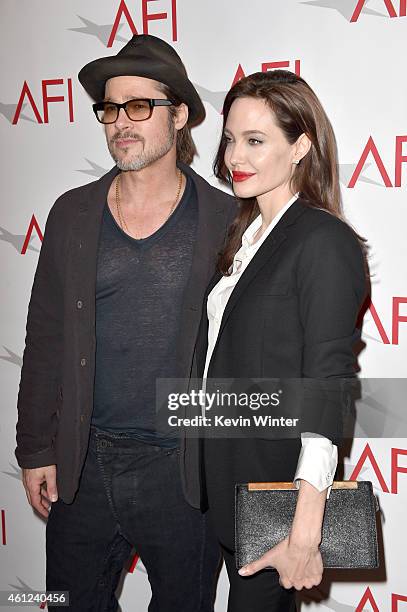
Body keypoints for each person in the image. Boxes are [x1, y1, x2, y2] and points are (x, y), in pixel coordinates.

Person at [15, 34, 235, 612]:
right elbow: (45, 340)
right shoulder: (71, 213)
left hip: (183, 473)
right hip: (82, 465)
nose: (121, 123)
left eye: (140, 106)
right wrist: (35, 448)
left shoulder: (226, 220)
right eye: (111, 109)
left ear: (180, 115)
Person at [184, 70, 368, 611]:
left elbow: (328, 384)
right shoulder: (243, 238)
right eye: (230, 138)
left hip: (275, 503)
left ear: (301, 146)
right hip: (219, 492)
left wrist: (305, 527)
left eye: (256, 140)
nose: (234, 155)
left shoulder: (322, 239)